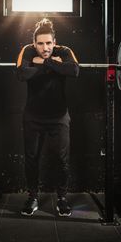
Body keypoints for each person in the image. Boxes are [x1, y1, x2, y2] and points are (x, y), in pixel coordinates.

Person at [16, 18, 79, 217]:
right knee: (32, 159)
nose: (45, 47)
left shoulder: (65, 51)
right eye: (41, 44)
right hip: (33, 117)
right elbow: (21, 73)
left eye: (49, 43)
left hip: (59, 117)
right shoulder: (27, 50)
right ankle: (33, 197)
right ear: (34, 43)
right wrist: (53, 66)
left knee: (62, 160)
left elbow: (74, 70)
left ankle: (62, 199)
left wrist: (44, 63)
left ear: (54, 41)